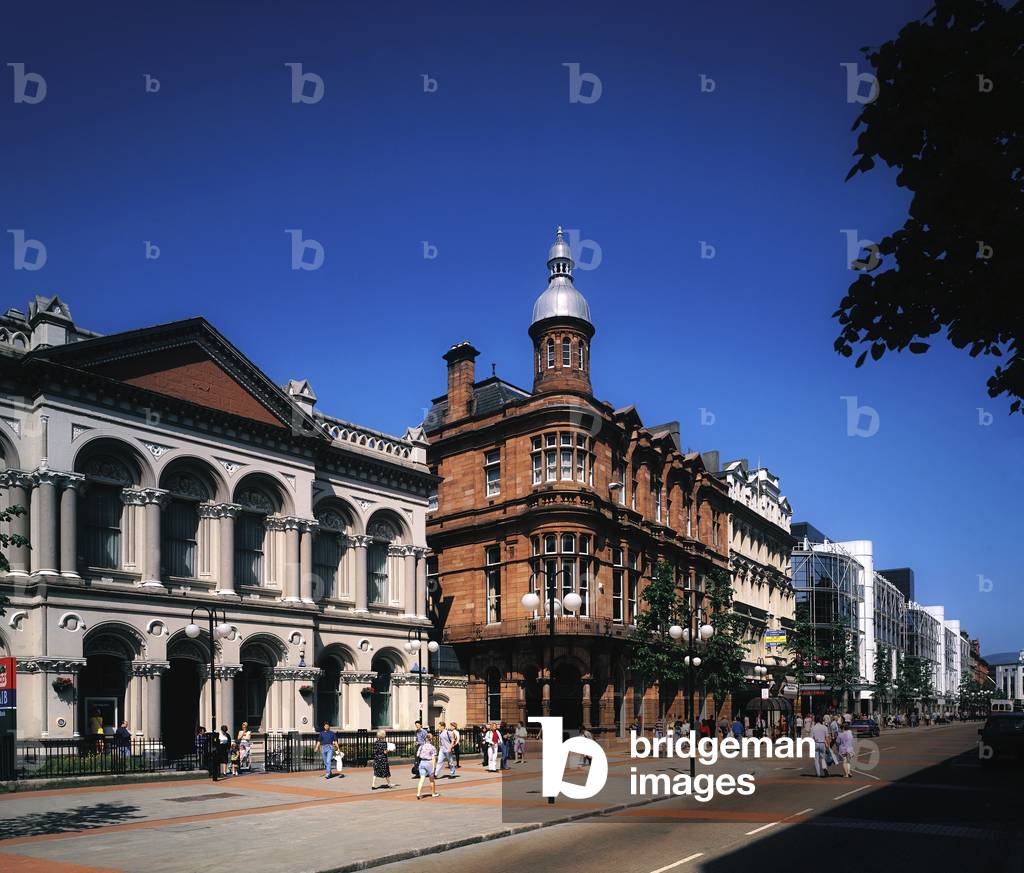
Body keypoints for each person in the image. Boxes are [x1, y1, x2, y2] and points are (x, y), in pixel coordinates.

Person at [416, 731, 440, 799]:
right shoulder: (432, 747)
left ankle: (418, 793)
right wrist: (434, 767)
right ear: (431, 739)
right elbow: (433, 758)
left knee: (421, 779)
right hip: (429, 763)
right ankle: (433, 793)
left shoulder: (421, 746)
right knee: (431, 780)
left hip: (422, 762)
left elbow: (418, 755)